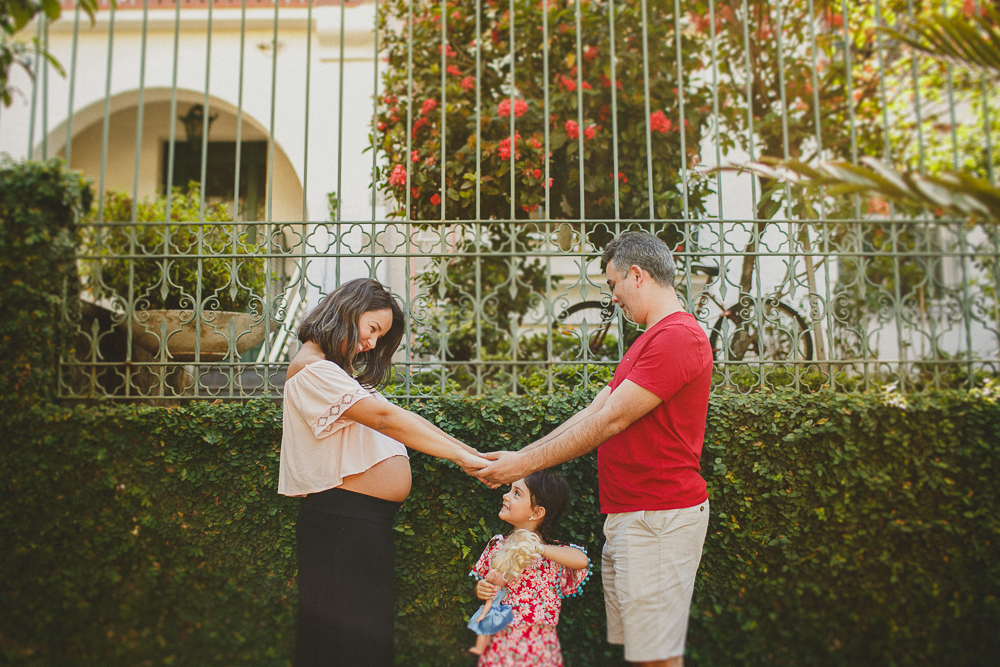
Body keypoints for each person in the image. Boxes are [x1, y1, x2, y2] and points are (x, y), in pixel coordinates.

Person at [476, 231, 713, 667]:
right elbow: (593, 412)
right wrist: (517, 461)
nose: (614, 297)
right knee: (644, 654)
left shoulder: (679, 337)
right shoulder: (648, 340)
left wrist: (521, 465)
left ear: (637, 275)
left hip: (657, 518)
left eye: (613, 284)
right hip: (633, 516)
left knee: (657, 658)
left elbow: (610, 422)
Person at [278, 277, 487, 667]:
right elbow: (386, 418)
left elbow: (402, 418)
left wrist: (471, 453)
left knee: (356, 645)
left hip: (357, 523)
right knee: (349, 648)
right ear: (347, 311)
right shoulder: (313, 371)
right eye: (372, 330)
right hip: (343, 521)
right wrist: (464, 460)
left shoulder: (331, 373)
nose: (371, 345)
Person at [470, 470, 590, 667]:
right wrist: (481, 588)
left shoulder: (554, 553)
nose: (505, 496)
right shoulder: (498, 545)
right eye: (510, 490)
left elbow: (582, 560)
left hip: (538, 644)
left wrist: (538, 548)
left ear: (537, 512)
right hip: (502, 640)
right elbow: (488, 586)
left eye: (516, 493)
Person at [466, 529, 542, 656]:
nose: (490, 575)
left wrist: (482, 614)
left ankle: (482, 648)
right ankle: (484, 649)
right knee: (487, 632)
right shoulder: (501, 588)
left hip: (492, 612)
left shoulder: (495, 590)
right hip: (501, 612)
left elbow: (488, 604)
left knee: (485, 631)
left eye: (495, 574)